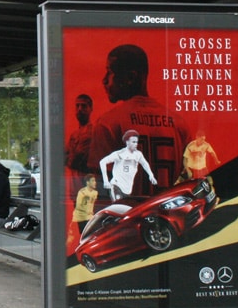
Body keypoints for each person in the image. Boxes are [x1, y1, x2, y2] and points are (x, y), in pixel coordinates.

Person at [87, 44, 190, 193]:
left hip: (128, 214)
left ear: (130, 77)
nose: (104, 80)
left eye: (109, 72)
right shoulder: (179, 124)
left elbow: (100, 188)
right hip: (167, 214)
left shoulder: (108, 123)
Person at [99, 129, 157, 201]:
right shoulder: (120, 154)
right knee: (118, 208)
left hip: (128, 190)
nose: (136, 144)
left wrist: (151, 175)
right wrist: (106, 181)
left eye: (136, 142)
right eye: (133, 142)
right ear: (127, 142)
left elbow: (144, 163)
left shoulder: (138, 154)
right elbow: (102, 162)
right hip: (117, 186)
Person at [65, 93, 93, 178]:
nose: (80, 109)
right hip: (73, 181)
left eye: (83, 106)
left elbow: (75, 160)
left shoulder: (93, 132)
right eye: (77, 106)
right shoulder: (74, 135)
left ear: (91, 108)